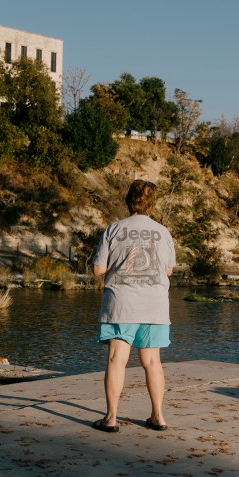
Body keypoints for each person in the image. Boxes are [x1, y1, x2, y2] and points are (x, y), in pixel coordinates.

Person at [91, 179, 177, 433]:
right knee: (152, 362)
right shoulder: (163, 232)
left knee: (117, 359)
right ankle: (158, 417)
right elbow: (169, 270)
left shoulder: (114, 229)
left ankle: (111, 419)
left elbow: (98, 270)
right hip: (155, 305)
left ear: (128, 201)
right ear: (152, 203)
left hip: (121, 303)